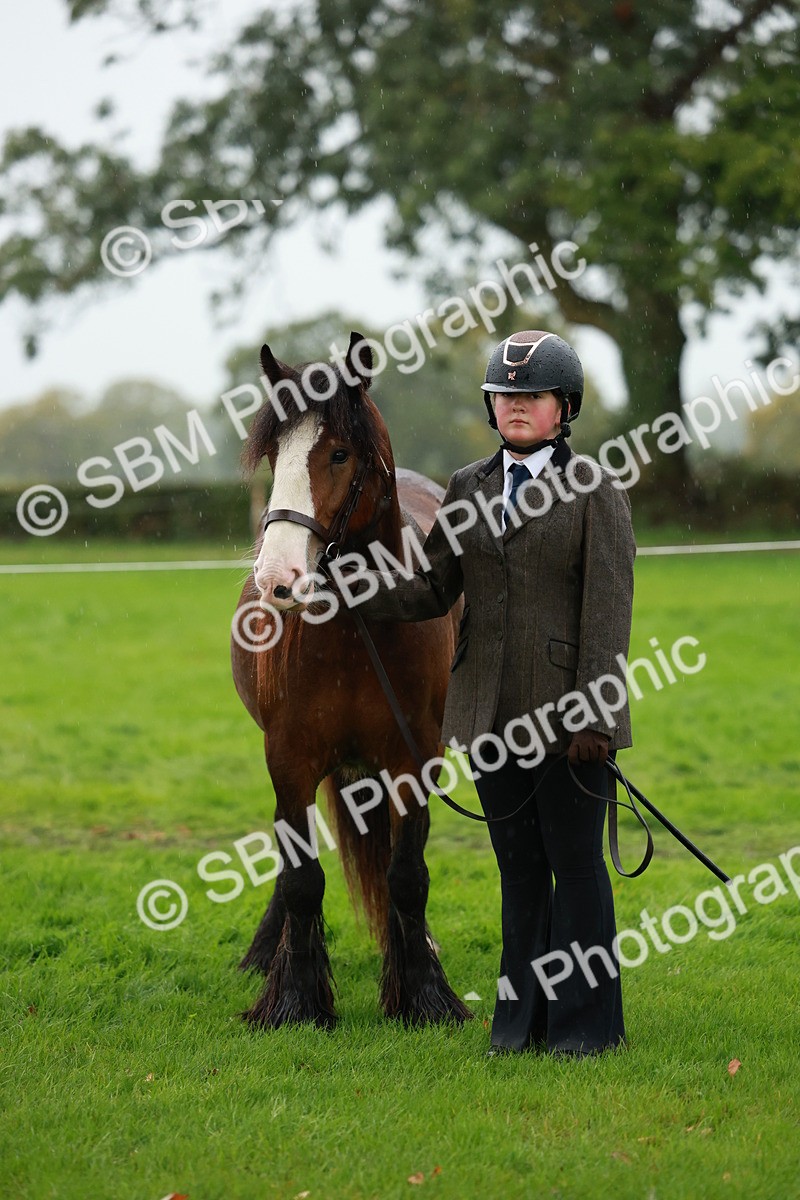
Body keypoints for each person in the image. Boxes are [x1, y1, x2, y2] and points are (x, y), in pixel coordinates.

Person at [342, 329, 636, 1057]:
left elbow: (607, 610)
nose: (517, 407)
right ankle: (520, 1024)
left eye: (531, 397)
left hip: (570, 721)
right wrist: (350, 589)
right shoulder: (469, 487)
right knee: (520, 871)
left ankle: (586, 1029)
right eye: (506, 397)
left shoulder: (596, 489)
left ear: (563, 407)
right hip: (488, 719)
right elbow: (434, 588)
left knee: (576, 870)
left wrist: (594, 714)